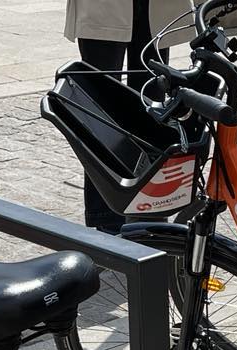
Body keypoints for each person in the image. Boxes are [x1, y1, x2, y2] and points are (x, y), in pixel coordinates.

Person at [64, 0, 189, 232]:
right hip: (104, 8)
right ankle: (105, 218)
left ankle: (150, 211)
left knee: (152, 114)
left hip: (155, 9)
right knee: (100, 113)